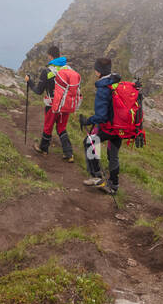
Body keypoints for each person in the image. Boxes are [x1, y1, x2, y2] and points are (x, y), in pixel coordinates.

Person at [25, 45, 76, 161]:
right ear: (59, 54)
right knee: (61, 128)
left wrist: (30, 82)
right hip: (66, 104)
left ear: (50, 56)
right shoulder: (68, 69)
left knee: (48, 127)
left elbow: (38, 91)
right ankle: (69, 154)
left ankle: (43, 149)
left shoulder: (47, 71)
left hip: (52, 105)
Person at [79, 57, 122, 194]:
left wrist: (87, 121)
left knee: (89, 142)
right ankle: (113, 185)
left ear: (98, 72)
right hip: (121, 126)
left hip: (109, 127)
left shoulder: (103, 88)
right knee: (113, 154)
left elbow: (101, 116)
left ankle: (96, 176)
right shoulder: (116, 82)